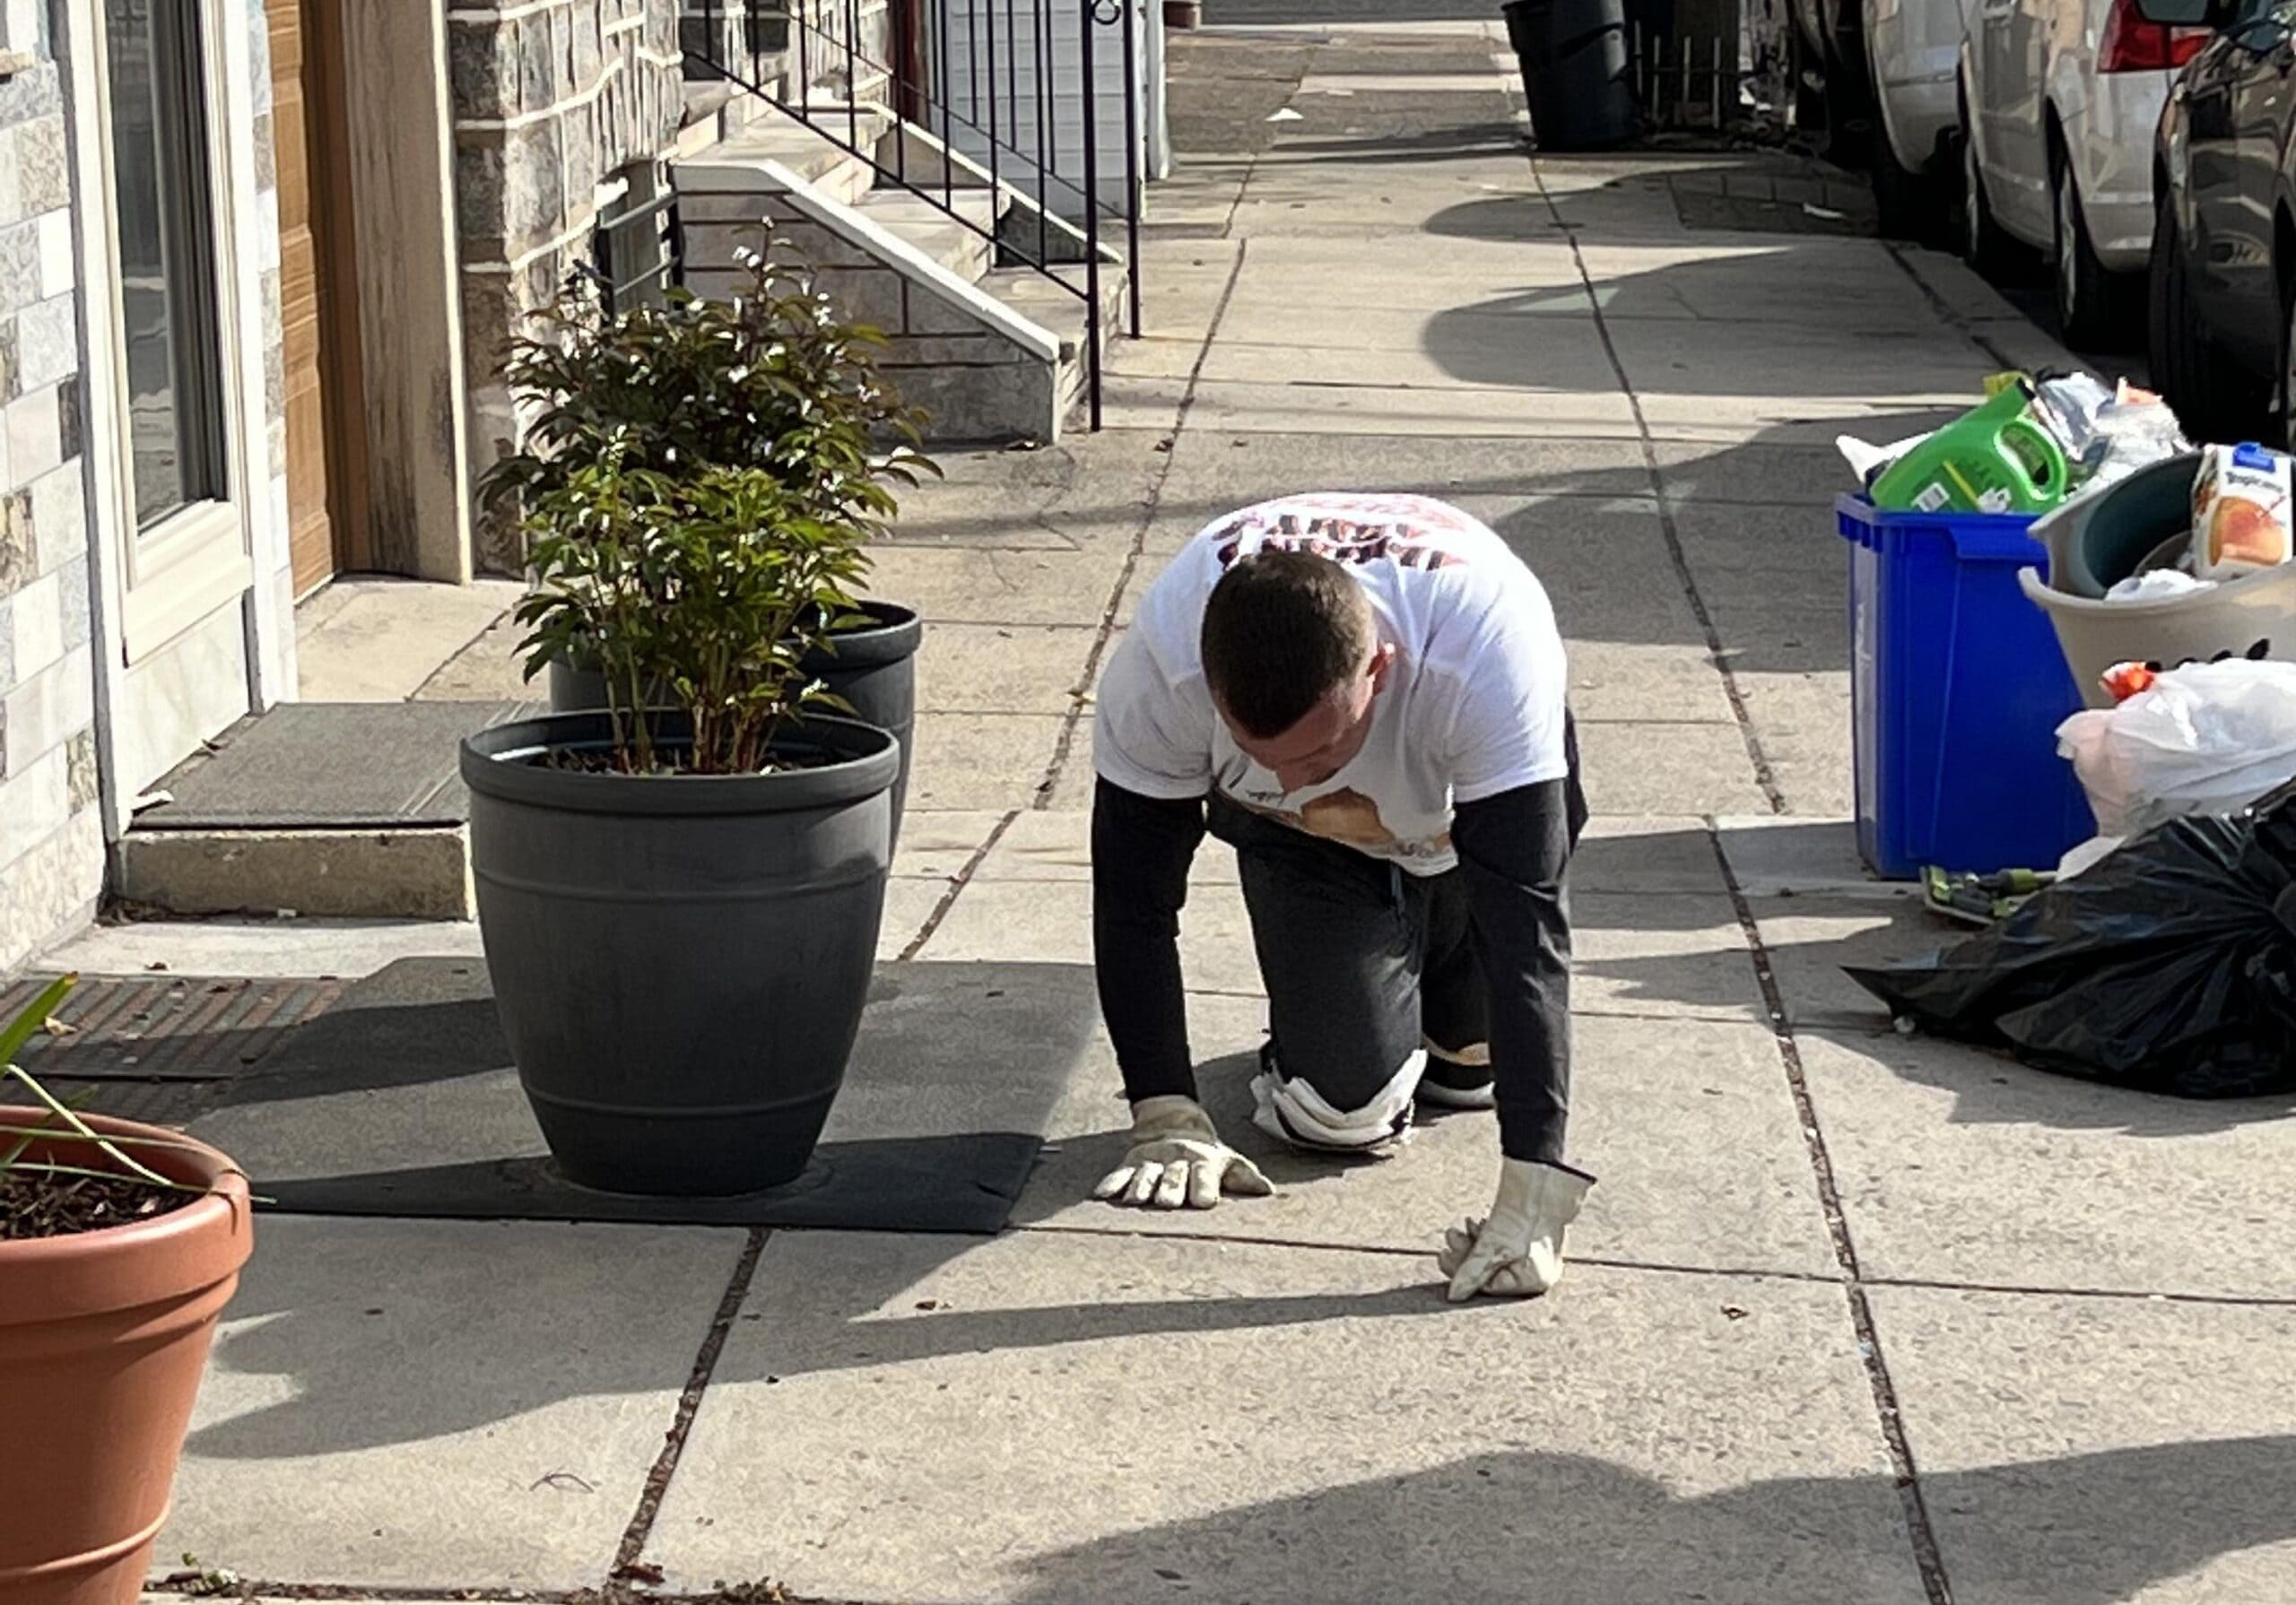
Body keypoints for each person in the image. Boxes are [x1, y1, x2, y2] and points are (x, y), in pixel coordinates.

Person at [1087, 492, 1594, 1301]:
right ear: (1207, 685)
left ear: (1380, 671)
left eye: (1318, 750)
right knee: (1338, 1115)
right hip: (1308, 845)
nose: (1288, 776)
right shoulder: (1163, 667)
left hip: (1461, 836)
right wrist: (1164, 1109)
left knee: (1470, 1074)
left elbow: (1528, 925)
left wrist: (1538, 1189)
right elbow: (1133, 901)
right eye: (1260, 753)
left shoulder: (1486, 653)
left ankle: (1423, 982)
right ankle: (1351, 993)